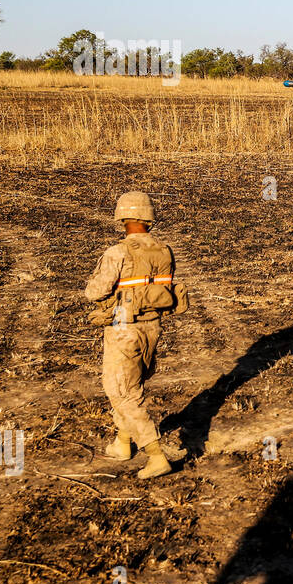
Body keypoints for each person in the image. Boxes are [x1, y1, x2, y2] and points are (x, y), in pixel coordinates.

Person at [84, 191, 186, 479]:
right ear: (149, 219)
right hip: (153, 328)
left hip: (123, 329)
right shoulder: (165, 251)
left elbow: (94, 292)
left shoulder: (117, 252)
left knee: (122, 391)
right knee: (131, 384)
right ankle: (123, 442)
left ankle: (155, 455)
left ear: (123, 219)